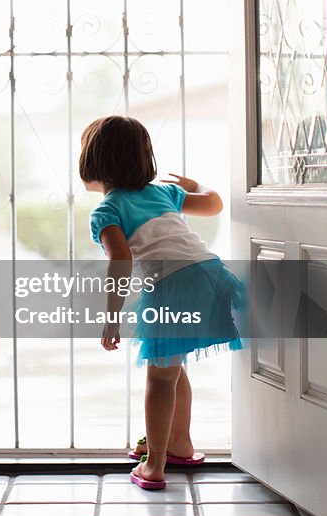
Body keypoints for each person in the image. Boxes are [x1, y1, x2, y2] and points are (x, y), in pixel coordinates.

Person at [79, 115, 242, 490]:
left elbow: (121, 261)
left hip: (173, 286)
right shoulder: (162, 192)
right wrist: (193, 184)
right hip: (209, 274)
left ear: (91, 164)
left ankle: (154, 465)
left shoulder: (107, 211)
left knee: (159, 378)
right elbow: (214, 203)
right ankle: (178, 443)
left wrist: (111, 319)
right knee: (173, 366)